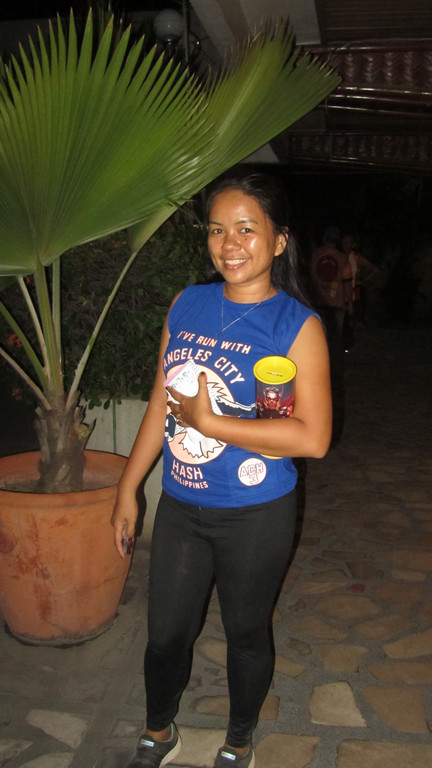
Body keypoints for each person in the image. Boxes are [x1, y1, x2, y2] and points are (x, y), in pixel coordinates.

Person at [111, 172, 332, 768]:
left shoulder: (297, 326)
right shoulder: (188, 302)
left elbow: (313, 438)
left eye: (246, 229)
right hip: (182, 503)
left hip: (256, 511)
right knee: (165, 634)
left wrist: (212, 424)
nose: (229, 244)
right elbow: (161, 401)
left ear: (279, 241)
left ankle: (238, 741)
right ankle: (159, 730)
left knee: (245, 633)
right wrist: (129, 487)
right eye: (216, 230)